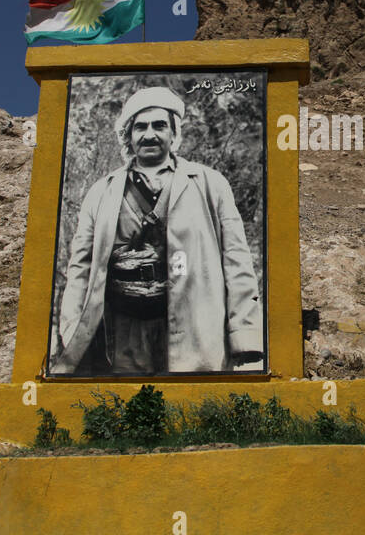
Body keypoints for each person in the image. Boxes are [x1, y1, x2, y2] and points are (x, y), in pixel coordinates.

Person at [51, 86, 264, 375]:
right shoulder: (101, 192)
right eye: (140, 127)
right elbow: (81, 268)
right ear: (128, 134)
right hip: (122, 332)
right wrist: (71, 329)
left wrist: (245, 337)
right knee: (126, 409)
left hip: (195, 327)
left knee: (192, 410)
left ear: (174, 133)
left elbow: (237, 264)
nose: (149, 134)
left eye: (159, 125)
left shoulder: (210, 184)